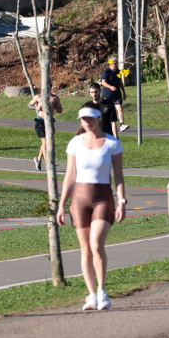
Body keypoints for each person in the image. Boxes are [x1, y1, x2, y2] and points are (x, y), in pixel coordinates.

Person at [56, 102, 126, 311]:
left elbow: (119, 177)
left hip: (103, 198)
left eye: (89, 118)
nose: (86, 122)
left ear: (98, 119)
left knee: (96, 244)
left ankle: (103, 291)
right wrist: (61, 205)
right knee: (85, 249)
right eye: (82, 119)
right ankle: (91, 295)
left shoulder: (112, 143)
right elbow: (70, 176)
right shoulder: (75, 143)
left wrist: (121, 202)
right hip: (79, 200)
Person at [27, 89, 63, 171]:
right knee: (45, 142)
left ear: (50, 87)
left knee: (47, 143)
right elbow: (29, 105)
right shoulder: (38, 97)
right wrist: (36, 107)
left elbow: (60, 110)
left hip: (49, 122)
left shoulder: (55, 98)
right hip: (40, 122)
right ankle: (48, 163)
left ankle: (38, 159)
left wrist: (57, 108)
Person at [100, 58, 129, 132]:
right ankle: (103, 125)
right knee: (107, 111)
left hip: (117, 95)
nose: (116, 65)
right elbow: (103, 82)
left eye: (116, 63)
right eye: (114, 63)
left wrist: (124, 92)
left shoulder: (118, 72)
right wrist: (110, 87)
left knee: (120, 108)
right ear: (110, 63)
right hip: (107, 95)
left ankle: (122, 125)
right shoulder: (106, 71)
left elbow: (120, 83)